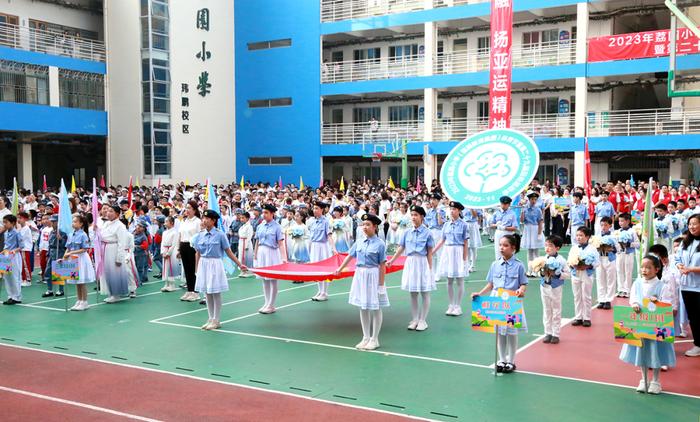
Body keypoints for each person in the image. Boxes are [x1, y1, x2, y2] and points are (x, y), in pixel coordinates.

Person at [619, 254, 676, 394]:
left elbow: (668, 303)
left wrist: (658, 303)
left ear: (657, 269)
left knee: (656, 353)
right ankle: (643, 379)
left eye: (648, 267)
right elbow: (633, 299)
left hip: (655, 328)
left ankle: (656, 381)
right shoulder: (637, 283)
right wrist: (635, 304)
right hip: (640, 326)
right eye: (642, 267)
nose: (644, 270)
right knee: (642, 352)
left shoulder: (662, 286)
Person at [471, 234, 528, 373]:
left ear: (513, 248)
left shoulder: (519, 265)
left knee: (512, 332)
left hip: (511, 301)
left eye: (505, 245)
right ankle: (502, 360)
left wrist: (521, 290)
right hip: (496, 301)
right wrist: (480, 293)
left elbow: (523, 283)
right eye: (500, 245)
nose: (502, 248)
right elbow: (490, 284)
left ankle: (511, 361)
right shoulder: (495, 264)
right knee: (500, 332)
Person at [334, 213, 388, 350]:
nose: (365, 227)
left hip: (373, 275)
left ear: (375, 227)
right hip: (360, 275)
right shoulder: (359, 241)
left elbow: (382, 265)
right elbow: (350, 256)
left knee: (375, 307)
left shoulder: (380, 244)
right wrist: (340, 268)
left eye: (368, 224)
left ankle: (375, 339)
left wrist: (381, 285)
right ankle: (365, 337)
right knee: (363, 307)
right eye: (364, 224)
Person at [193, 209, 247, 330]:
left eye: (207, 218)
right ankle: (210, 317)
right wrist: (197, 268)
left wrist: (239, 264)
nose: (204, 220)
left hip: (215, 264)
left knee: (215, 292)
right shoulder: (200, 235)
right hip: (204, 264)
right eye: (203, 218)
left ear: (213, 221)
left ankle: (216, 319)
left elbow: (228, 252)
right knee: (207, 292)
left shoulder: (220, 234)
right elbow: (197, 253)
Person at [387, 205, 434, 331]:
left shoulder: (428, 233)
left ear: (422, 217)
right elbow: (401, 248)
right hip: (411, 262)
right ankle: (414, 319)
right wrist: (391, 260)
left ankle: (423, 320)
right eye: (412, 215)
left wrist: (430, 269)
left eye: (416, 215)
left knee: (424, 293)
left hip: (422, 262)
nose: (413, 217)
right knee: (413, 293)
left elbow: (429, 252)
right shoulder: (407, 232)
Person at [434, 201, 469, 316]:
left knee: (459, 280)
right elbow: (442, 240)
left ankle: (458, 306)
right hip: (448, 252)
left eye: (454, 209)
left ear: (459, 211)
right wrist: (432, 251)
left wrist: (464, 260)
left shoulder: (464, 225)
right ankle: (451, 305)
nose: (452, 211)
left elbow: (465, 242)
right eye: (451, 209)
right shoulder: (446, 224)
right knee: (449, 280)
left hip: (459, 252)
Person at [254, 204, 287, 314]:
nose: (264, 215)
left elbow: (281, 244)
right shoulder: (260, 226)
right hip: (262, 253)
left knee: (272, 280)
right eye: (263, 212)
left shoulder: (277, 227)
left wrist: (284, 258)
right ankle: (266, 302)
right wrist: (255, 255)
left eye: (266, 213)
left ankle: (271, 304)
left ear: (272, 214)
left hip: (272, 253)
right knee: (264, 280)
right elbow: (257, 241)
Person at [675, 213, 700, 357]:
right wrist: (680, 266)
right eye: (690, 224)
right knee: (694, 317)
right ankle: (698, 344)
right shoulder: (686, 242)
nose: (692, 226)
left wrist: (691, 269)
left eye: (695, 223)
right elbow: (677, 257)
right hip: (686, 286)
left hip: (699, 286)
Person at [539, 235, 569, 344]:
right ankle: (548, 332)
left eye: (550, 246)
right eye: (546, 245)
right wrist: (541, 272)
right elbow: (538, 271)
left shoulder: (561, 260)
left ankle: (556, 333)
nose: (547, 248)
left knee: (556, 310)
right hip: (544, 286)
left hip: (556, 287)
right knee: (547, 310)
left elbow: (567, 274)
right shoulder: (543, 259)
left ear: (557, 248)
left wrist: (557, 273)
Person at [569, 226, 599, 327]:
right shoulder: (574, 248)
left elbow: (597, 262)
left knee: (586, 296)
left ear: (587, 237)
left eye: (581, 235)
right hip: (576, 274)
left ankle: (587, 318)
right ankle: (578, 317)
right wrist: (573, 264)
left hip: (587, 274)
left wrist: (588, 265)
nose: (578, 237)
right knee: (577, 296)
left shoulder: (592, 249)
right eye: (577, 235)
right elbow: (569, 260)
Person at [99, 205, 131, 303]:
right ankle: (110, 292)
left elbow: (122, 243)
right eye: (107, 211)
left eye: (111, 211)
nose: (108, 213)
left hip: (113, 249)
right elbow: (102, 235)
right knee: (107, 272)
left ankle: (116, 294)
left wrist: (119, 258)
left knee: (114, 272)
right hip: (105, 248)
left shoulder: (120, 226)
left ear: (117, 214)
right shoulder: (106, 224)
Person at [64, 215, 96, 311]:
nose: (73, 223)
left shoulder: (83, 235)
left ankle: (84, 301)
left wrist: (71, 253)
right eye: (72, 222)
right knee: (76, 282)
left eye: (75, 222)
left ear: (81, 224)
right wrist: (64, 257)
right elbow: (68, 247)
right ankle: (79, 300)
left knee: (81, 281)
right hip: (72, 258)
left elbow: (84, 249)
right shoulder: (71, 234)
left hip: (81, 259)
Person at [308, 201, 334, 301]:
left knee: (324, 270)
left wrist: (333, 249)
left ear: (322, 210)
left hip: (323, 247)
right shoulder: (312, 221)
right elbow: (311, 237)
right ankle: (320, 291)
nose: (314, 210)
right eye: (314, 208)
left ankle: (325, 292)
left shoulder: (326, 221)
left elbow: (329, 235)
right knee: (317, 270)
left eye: (316, 208)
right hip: (315, 246)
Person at [178, 200, 202, 302]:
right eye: (186, 208)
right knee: (186, 269)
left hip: (193, 247)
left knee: (193, 269)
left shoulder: (197, 221)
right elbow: (180, 235)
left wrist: (198, 250)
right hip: (183, 245)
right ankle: (189, 290)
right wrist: (179, 248)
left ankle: (196, 292)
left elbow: (200, 236)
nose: (187, 210)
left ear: (194, 210)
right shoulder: (184, 221)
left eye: (189, 208)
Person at [596, 216, 618, 310]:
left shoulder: (613, 236)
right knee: (600, 279)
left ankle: (608, 300)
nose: (603, 227)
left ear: (610, 225)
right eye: (601, 225)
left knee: (610, 279)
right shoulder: (597, 236)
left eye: (605, 225)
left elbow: (619, 248)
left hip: (610, 259)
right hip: (600, 258)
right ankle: (601, 299)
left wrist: (611, 249)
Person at [616, 213, 639, 298]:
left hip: (629, 254)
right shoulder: (617, 232)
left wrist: (629, 244)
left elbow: (638, 244)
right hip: (620, 254)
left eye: (622, 221)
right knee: (619, 271)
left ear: (628, 221)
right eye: (619, 221)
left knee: (628, 272)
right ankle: (620, 289)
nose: (620, 223)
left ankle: (627, 290)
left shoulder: (632, 231)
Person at [1, 214, 23, 304]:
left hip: (14, 256)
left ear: (13, 223)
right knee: (7, 277)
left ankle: (17, 297)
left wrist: (13, 251)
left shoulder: (17, 233)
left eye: (6, 222)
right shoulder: (6, 233)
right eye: (4, 222)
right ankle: (10, 296)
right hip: (6, 256)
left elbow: (21, 246)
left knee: (15, 276)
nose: (4, 224)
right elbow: (6, 246)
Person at [521, 192, 544, 277]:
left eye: (535, 199)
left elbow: (540, 222)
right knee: (529, 251)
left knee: (536, 252)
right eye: (532, 199)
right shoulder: (525, 208)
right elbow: (522, 220)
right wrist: (522, 211)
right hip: (527, 229)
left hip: (535, 229)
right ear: (529, 200)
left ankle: (536, 270)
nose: (533, 201)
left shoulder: (538, 210)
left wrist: (539, 234)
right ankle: (529, 270)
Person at [490, 196, 517, 260]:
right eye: (502, 204)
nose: (503, 206)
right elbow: (491, 225)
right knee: (498, 250)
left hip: (508, 233)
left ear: (509, 204)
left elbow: (514, 227)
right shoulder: (496, 213)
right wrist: (496, 225)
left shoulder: (512, 214)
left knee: (509, 251)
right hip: (498, 232)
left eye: (505, 204)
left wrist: (505, 228)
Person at [160, 216, 181, 292]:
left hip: (171, 251)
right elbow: (162, 243)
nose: (165, 223)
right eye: (165, 222)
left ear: (172, 223)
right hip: (165, 250)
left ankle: (172, 284)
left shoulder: (175, 232)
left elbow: (174, 244)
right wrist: (162, 252)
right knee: (165, 267)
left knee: (171, 267)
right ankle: (166, 283)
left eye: (167, 222)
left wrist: (168, 253)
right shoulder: (164, 232)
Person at [463, 208, 482, 273]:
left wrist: (471, 209)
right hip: (465, 224)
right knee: (467, 246)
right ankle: (467, 264)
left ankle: (472, 265)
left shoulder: (475, 207)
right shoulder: (464, 206)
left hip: (473, 225)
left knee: (473, 246)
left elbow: (475, 215)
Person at [133, 219, 150, 287]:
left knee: (139, 268)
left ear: (143, 229)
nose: (138, 227)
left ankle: (139, 281)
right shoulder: (133, 233)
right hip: (133, 254)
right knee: (134, 268)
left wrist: (136, 246)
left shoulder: (143, 236)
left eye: (140, 226)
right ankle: (135, 280)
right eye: (138, 225)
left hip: (140, 254)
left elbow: (145, 246)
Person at [237, 212, 255, 277]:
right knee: (241, 257)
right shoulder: (242, 226)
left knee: (247, 257)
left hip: (246, 243)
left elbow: (249, 236)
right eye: (241, 218)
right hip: (241, 242)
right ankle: (243, 270)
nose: (241, 219)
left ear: (247, 218)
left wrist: (246, 245)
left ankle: (249, 271)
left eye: (243, 218)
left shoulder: (249, 226)